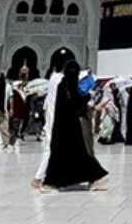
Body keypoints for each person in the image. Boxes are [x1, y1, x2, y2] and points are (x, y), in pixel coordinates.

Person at [43, 61, 109, 190]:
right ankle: (96, 178)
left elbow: (71, 102)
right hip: (71, 126)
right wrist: (88, 97)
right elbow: (76, 102)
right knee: (76, 153)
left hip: (65, 127)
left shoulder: (63, 85)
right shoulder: (70, 86)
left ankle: (53, 182)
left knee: (67, 153)